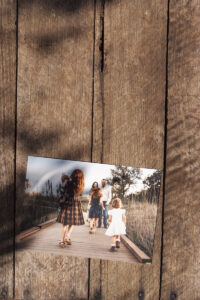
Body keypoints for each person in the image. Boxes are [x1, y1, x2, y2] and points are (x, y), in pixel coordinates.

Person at [57, 169, 85, 248]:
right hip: (76, 203)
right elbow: (79, 194)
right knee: (72, 223)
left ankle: (62, 242)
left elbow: (63, 192)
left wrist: (64, 184)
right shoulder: (82, 185)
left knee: (64, 224)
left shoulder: (69, 182)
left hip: (67, 203)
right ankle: (67, 236)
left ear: (73, 174)